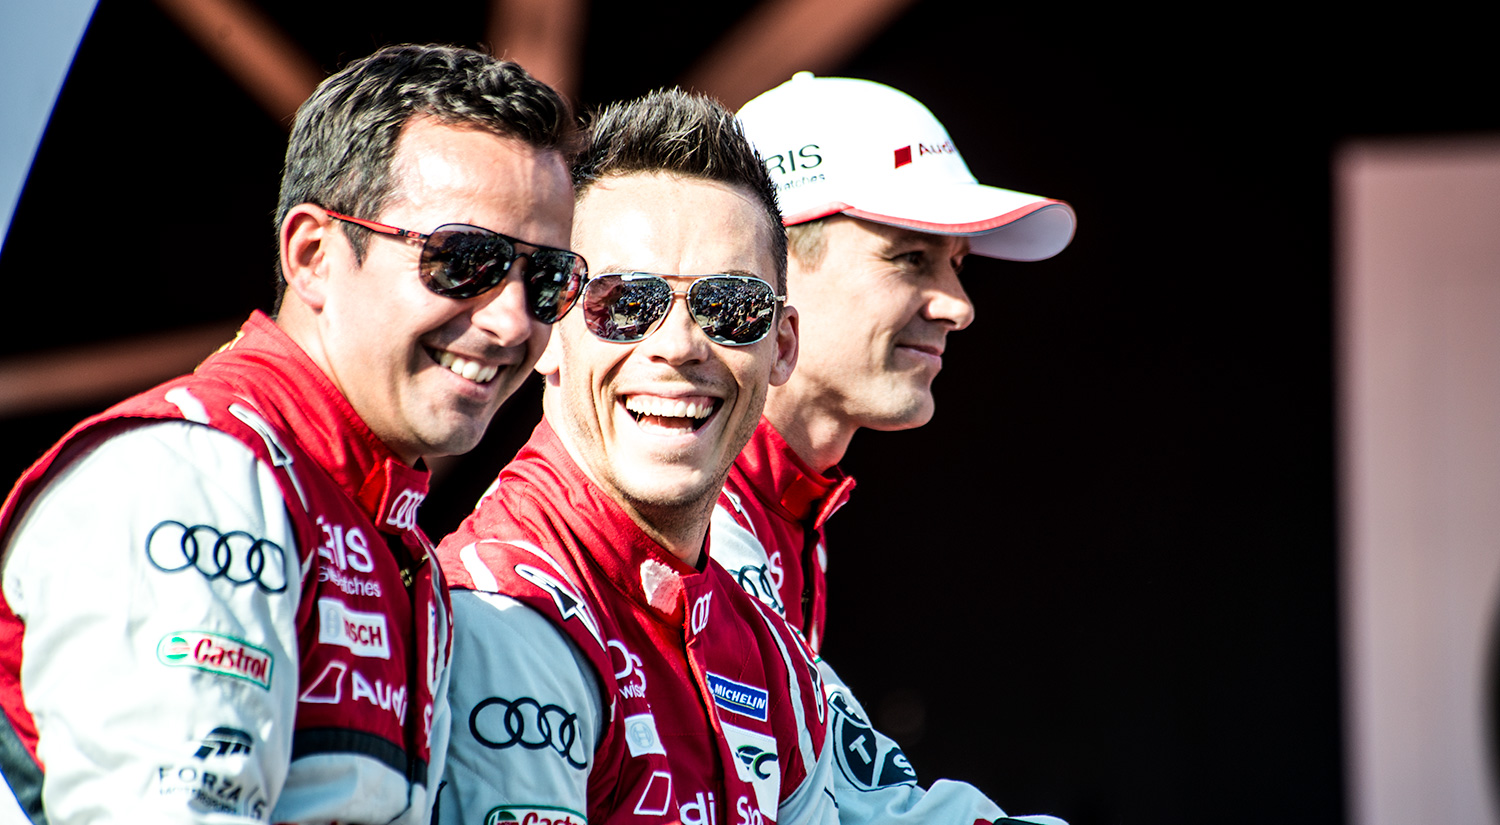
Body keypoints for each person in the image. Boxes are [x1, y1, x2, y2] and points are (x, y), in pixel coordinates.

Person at [0, 44, 582, 824]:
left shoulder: (387, 534)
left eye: (546, 279)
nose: (513, 320)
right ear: (312, 255)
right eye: (464, 260)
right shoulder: (199, 477)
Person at [433, 89, 839, 825]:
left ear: (781, 347)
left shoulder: (762, 640)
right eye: (624, 301)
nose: (680, 346)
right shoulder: (499, 611)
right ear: (547, 328)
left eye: (730, 306)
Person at [713, 73, 1078, 824]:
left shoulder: (780, 510)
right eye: (911, 258)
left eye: (958, 262)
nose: (960, 306)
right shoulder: (686, 519)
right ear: (769, 265)